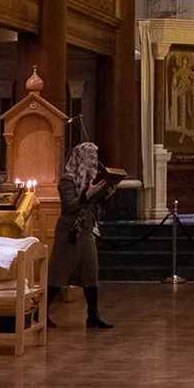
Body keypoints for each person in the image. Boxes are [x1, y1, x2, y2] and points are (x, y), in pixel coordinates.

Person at [48, 141, 119, 329]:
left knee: (90, 272)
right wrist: (87, 195)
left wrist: (106, 196)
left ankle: (93, 316)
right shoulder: (67, 180)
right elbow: (69, 206)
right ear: (81, 158)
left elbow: (93, 204)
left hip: (86, 232)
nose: (94, 162)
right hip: (69, 233)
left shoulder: (91, 181)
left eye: (95, 157)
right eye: (90, 157)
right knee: (58, 274)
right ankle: (41, 312)